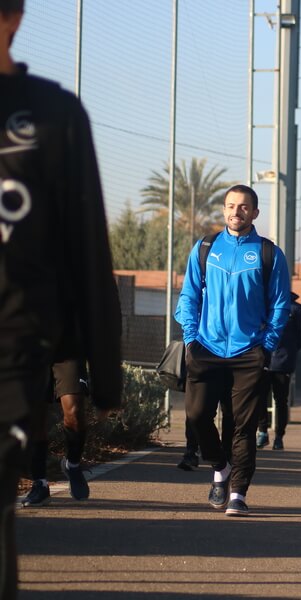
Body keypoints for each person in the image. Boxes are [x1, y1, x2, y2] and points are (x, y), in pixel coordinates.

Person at [1, 0, 123, 594]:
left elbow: (88, 251)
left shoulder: (53, 115)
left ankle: (61, 467)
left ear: (13, 18)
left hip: (17, 345)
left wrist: (107, 372)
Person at [176, 184, 291, 517]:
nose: (235, 212)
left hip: (249, 352)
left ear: (255, 213)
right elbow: (188, 297)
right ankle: (220, 467)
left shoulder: (269, 253)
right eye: (230, 206)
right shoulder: (205, 248)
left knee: (242, 427)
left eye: (243, 207)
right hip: (206, 348)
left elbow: (281, 305)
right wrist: (190, 338)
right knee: (197, 415)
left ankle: (238, 492)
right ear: (223, 210)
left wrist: (266, 345)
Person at [20, 361, 93, 504]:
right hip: (34, 349)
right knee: (34, 418)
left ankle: (72, 464)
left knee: (75, 413)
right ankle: (40, 484)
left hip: (68, 350)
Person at [257, 292, 301, 450]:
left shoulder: (295, 309)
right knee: (259, 397)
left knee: (280, 400)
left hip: (283, 362)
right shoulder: (263, 306)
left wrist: (290, 351)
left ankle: (278, 437)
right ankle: (262, 432)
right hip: (263, 360)